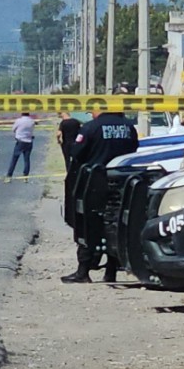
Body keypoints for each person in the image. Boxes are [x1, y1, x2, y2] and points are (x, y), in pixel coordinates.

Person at [61, 111, 139, 285]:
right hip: (121, 183)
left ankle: (83, 271)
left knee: (87, 226)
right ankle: (111, 271)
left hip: (94, 183)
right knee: (115, 226)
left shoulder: (91, 127)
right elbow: (134, 149)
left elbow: (77, 151)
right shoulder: (129, 127)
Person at [5, 112, 35, 183]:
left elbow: (13, 129)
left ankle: (9, 176)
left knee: (14, 159)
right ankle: (25, 177)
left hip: (20, 141)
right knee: (26, 160)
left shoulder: (19, 121)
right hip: (29, 141)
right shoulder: (32, 121)